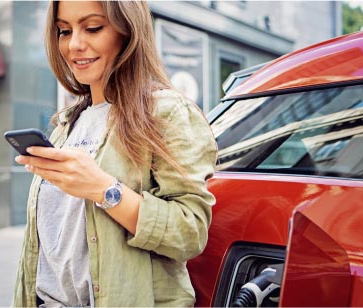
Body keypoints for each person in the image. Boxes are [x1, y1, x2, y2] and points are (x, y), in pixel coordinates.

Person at [12, 1, 217, 307]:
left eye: (93, 28)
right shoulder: (65, 127)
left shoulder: (168, 114)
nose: (75, 45)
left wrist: (105, 190)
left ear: (127, 31)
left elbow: (190, 232)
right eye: (64, 31)